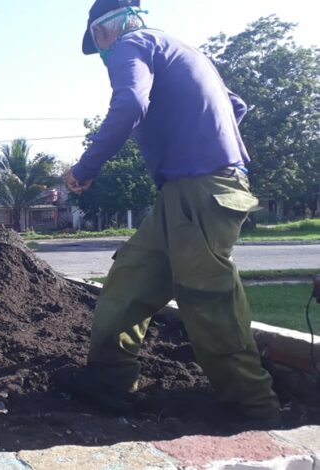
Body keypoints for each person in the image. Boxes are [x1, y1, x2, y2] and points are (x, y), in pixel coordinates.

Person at [67, 0, 281, 424]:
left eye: (97, 40)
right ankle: (109, 381)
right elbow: (233, 106)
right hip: (181, 193)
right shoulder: (182, 50)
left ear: (103, 30)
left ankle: (254, 410)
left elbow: (129, 105)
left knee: (207, 299)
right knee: (130, 279)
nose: (102, 51)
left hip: (199, 189)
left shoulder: (133, 44)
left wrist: (85, 168)